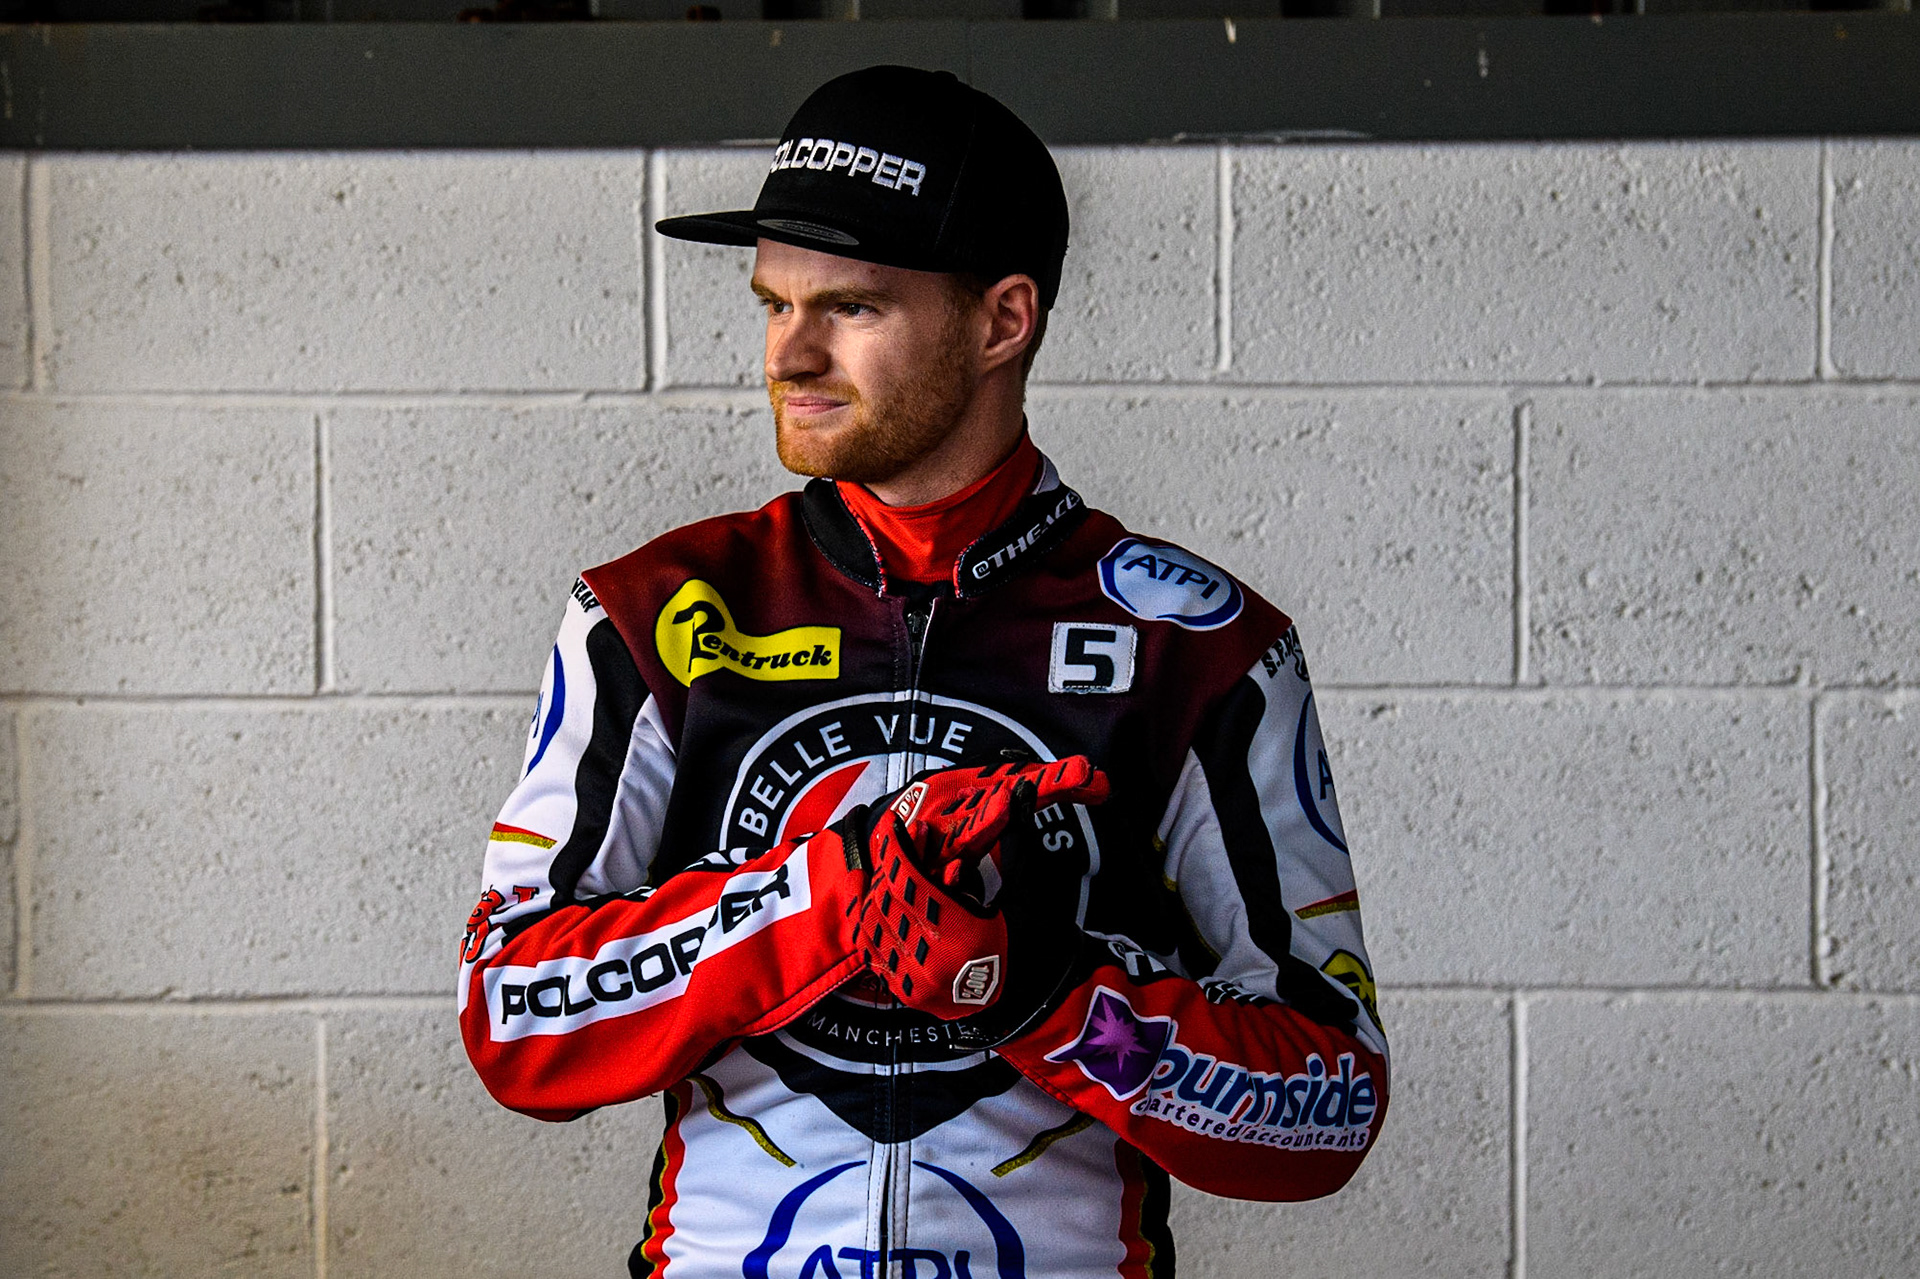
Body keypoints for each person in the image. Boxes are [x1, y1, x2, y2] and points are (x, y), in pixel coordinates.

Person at [458, 64, 1388, 1279]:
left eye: (849, 306)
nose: (789, 353)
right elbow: (511, 1023)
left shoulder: (1199, 645)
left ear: (1003, 320)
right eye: (772, 303)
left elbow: (1326, 1105)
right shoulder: (651, 611)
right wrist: (820, 906)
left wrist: (1042, 996)